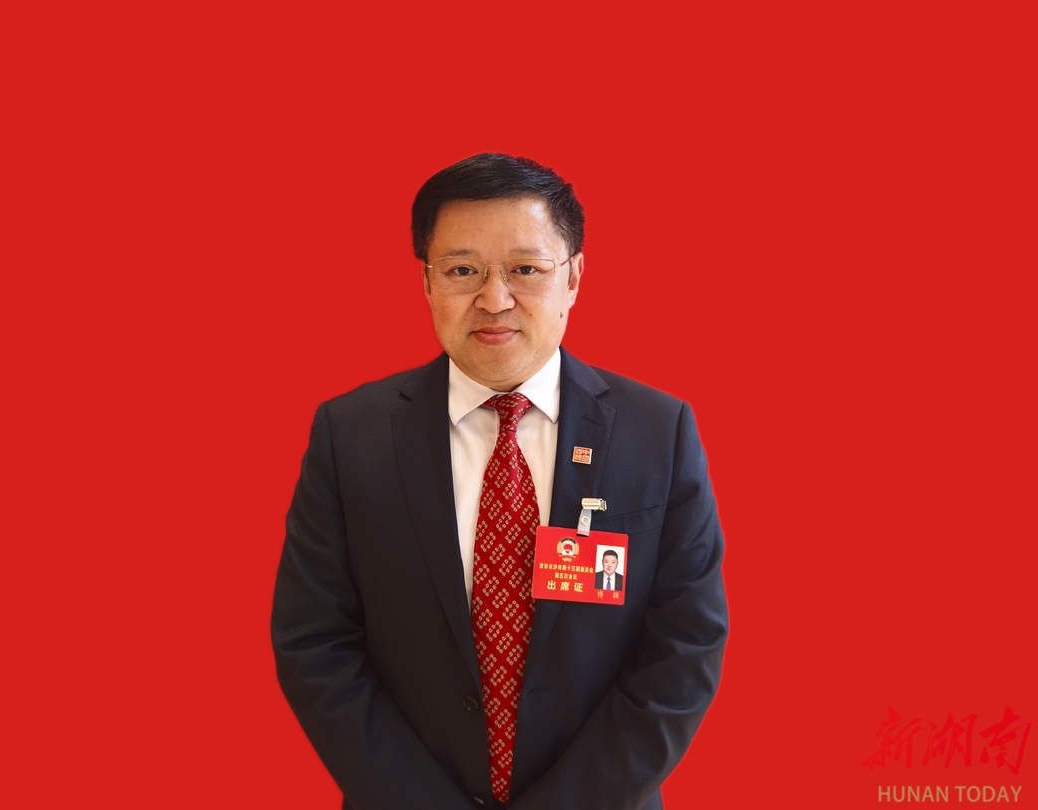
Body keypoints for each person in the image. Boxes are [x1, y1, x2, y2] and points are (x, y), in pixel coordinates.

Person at [271, 153, 728, 810]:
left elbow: (685, 644)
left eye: (525, 270)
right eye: (463, 270)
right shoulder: (352, 436)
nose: (494, 299)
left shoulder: (658, 433)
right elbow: (314, 643)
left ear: (573, 277)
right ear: (427, 281)